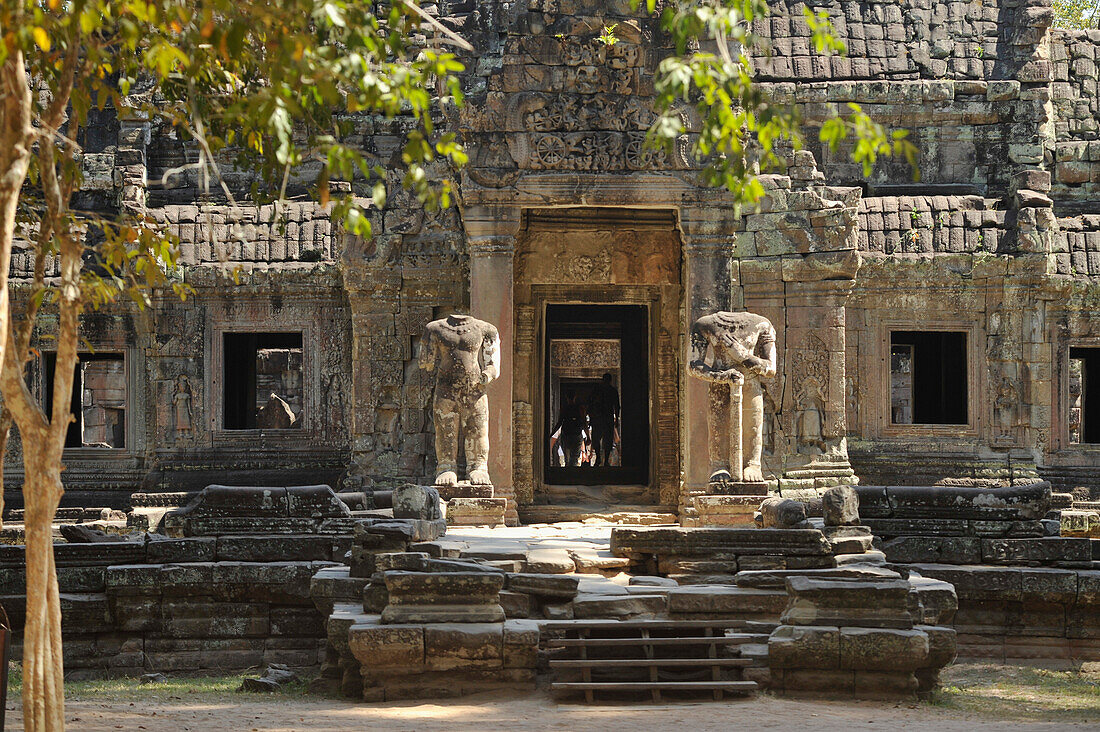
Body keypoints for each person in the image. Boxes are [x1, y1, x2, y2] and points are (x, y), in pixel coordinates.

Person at [589, 373, 620, 467]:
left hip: (598, 417)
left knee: (596, 438)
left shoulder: (597, 390)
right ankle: (605, 460)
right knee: (608, 440)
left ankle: (599, 457)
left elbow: (590, 404)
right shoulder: (612, 391)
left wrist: (591, 417)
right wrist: (617, 419)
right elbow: (617, 406)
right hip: (607, 418)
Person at [551, 391, 587, 467]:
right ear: (575, 397)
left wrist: (551, 433)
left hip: (566, 435)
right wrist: (588, 436)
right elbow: (584, 423)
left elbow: (559, 423)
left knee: (567, 458)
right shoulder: (580, 409)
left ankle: (568, 472)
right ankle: (572, 472)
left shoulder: (564, 409)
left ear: (566, 397)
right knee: (574, 457)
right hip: (577, 434)